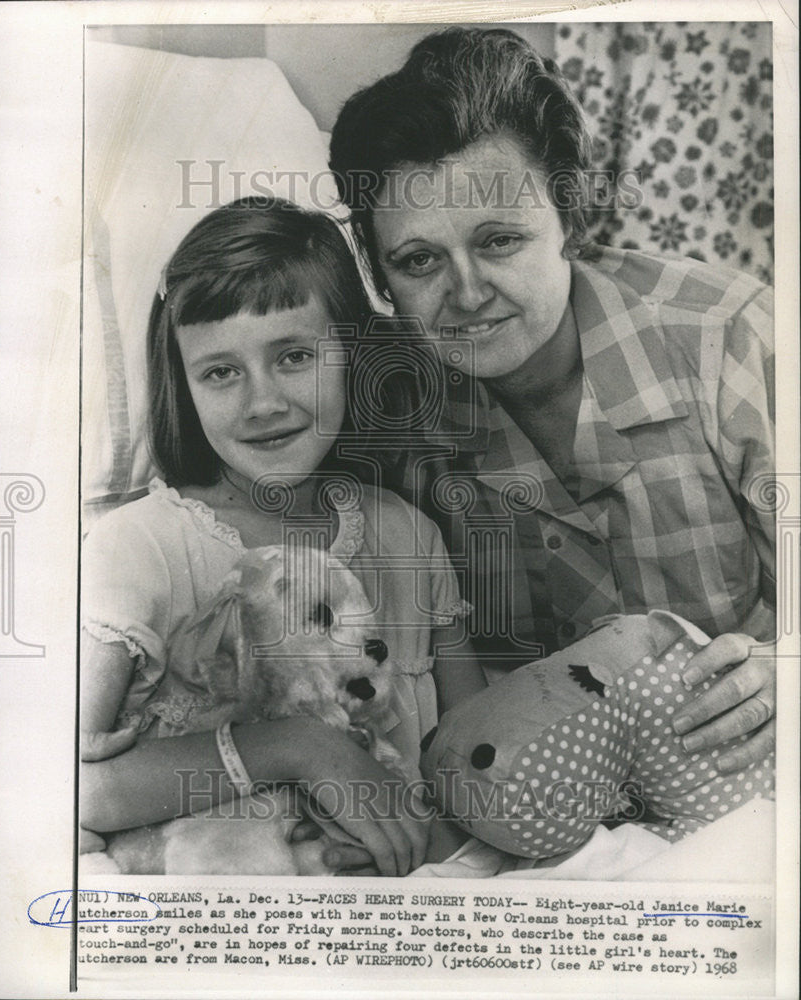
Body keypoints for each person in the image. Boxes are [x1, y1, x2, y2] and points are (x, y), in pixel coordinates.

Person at [329, 25, 776, 774]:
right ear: (380, 278)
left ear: (570, 216)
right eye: (419, 260)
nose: (466, 294)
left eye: (499, 240)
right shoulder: (386, 414)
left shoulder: (730, 338)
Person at [80, 197, 485, 876]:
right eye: (220, 372)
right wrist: (296, 748)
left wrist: (416, 841)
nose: (263, 402)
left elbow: (476, 758)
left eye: (294, 356)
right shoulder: (137, 550)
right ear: (184, 384)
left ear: (353, 355)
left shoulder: (408, 534)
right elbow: (59, 788)